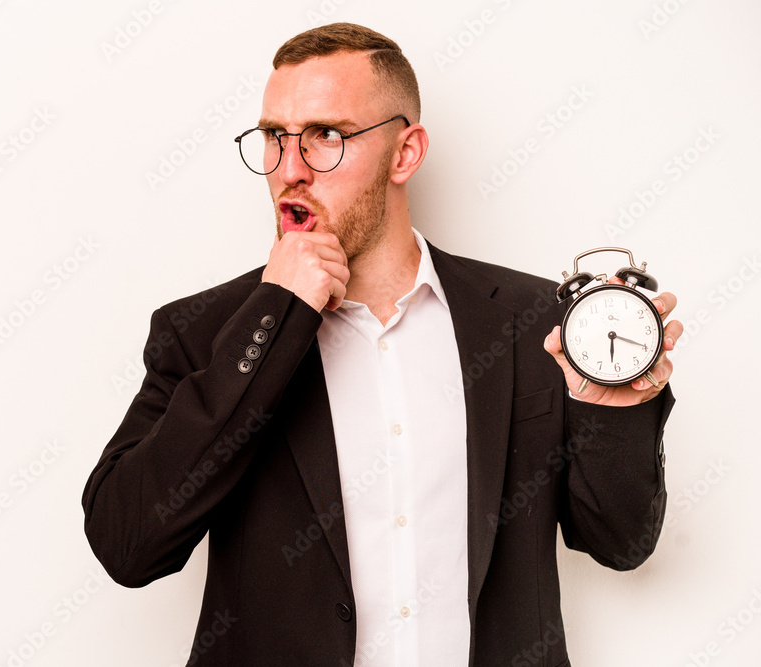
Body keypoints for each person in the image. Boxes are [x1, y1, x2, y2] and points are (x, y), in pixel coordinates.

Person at [82, 22, 681, 666]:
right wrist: (275, 315)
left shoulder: (535, 322)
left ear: (405, 153)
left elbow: (621, 543)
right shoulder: (206, 333)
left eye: (326, 136)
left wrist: (613, 413)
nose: (289, 171)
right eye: (275, 137)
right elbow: (128, 545)